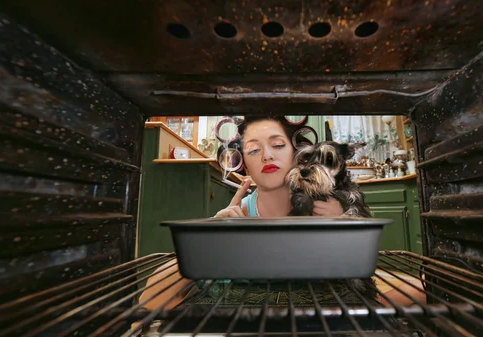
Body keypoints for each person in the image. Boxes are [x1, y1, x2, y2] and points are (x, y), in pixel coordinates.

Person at [140, 116, 346, 310]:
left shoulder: (326, 211)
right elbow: (151, 300)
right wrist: (211, 242)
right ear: (245, 165)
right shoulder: (231, 220)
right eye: (254, 150)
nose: (267, 155)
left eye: (278, 145)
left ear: (298, 155)